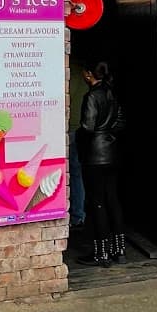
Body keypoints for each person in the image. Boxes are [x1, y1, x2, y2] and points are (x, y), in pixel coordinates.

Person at [76, 61, 126, 267]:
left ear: (89, 75)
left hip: (94, 157)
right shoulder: (112, 93)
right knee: (112, 199)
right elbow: (121, 122)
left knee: (97, 203)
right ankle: (119, 250)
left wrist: (79, 139)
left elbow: (87, 127)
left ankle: (101, 253)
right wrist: (108, 134)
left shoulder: (91, 96)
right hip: (112, 153)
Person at [68, 59, 89, 228]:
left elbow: (67, 96)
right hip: (79, 127)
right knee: (77, 172)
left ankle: (76, 213)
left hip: (71, 128)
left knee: (72, 172)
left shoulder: (73, 73)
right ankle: (78, 214)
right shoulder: (84, 75)